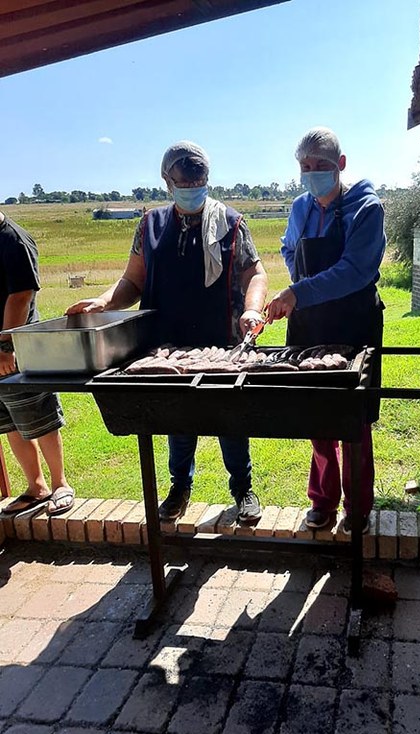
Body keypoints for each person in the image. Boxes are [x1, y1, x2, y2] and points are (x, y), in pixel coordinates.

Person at [66, 141, 268, 524]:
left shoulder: (230, 222)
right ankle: (179, 488)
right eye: (184, 182)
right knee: (178, 420)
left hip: (222, 342)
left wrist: (252, 308)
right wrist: (104, 302)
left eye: (199, 181)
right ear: (166, 181)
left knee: (231, 419)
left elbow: (254, 273)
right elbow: (133, 281)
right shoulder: (150, 225)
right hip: (167, 346)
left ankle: (243, 487)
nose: (192, 188)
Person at [267, 127, 385, 533]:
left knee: (354, 421)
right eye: (305, 166)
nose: (311, 173)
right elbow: (288, 248)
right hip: (309, 324)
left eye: (320, 165)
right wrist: (297, 286)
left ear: (341, 164)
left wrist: (299, 292)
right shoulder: (300, 207)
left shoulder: (366, 208)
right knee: (316, 416)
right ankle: (323, 499)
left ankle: (358, 507)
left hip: (354, 321)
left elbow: (355, 270)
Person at [0, 211, 75, 517]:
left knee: (38, 417)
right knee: (10, 422)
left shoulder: (14, 240)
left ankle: (60, 484)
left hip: (20, 351)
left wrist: (5, 346)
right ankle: (36, 487)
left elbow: (21, 296)